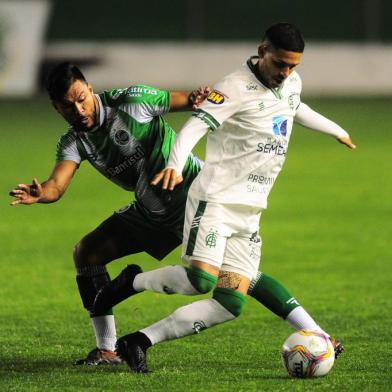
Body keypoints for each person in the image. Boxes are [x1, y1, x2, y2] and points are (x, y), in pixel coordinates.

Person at [9, 60, 342, 367]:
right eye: (67, 106)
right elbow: (56, 184)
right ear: (56, 108)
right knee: (87, 252)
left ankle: (320, 335)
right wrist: (42, 194)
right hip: (150, 211)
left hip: (193, 199)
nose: (78, 109)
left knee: (240, 279)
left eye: (81, 98)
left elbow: (190, 101)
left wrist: (203, 97)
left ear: (90, 88)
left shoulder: (132, 100)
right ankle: (107, 350)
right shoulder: (74, 142)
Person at [95, 22, 355, 373]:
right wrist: (174, 164)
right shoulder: (232, 88)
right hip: (215, 201)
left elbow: (295, 106)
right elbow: (195, 127)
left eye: (294, 66)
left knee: (231, 301)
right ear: (263, 51)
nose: (286, 72)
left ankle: (138, 341)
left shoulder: (290, 82)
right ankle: (133, 281)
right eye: (280, 63)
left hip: (249, 210)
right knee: (199, 280)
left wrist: (337, 130)